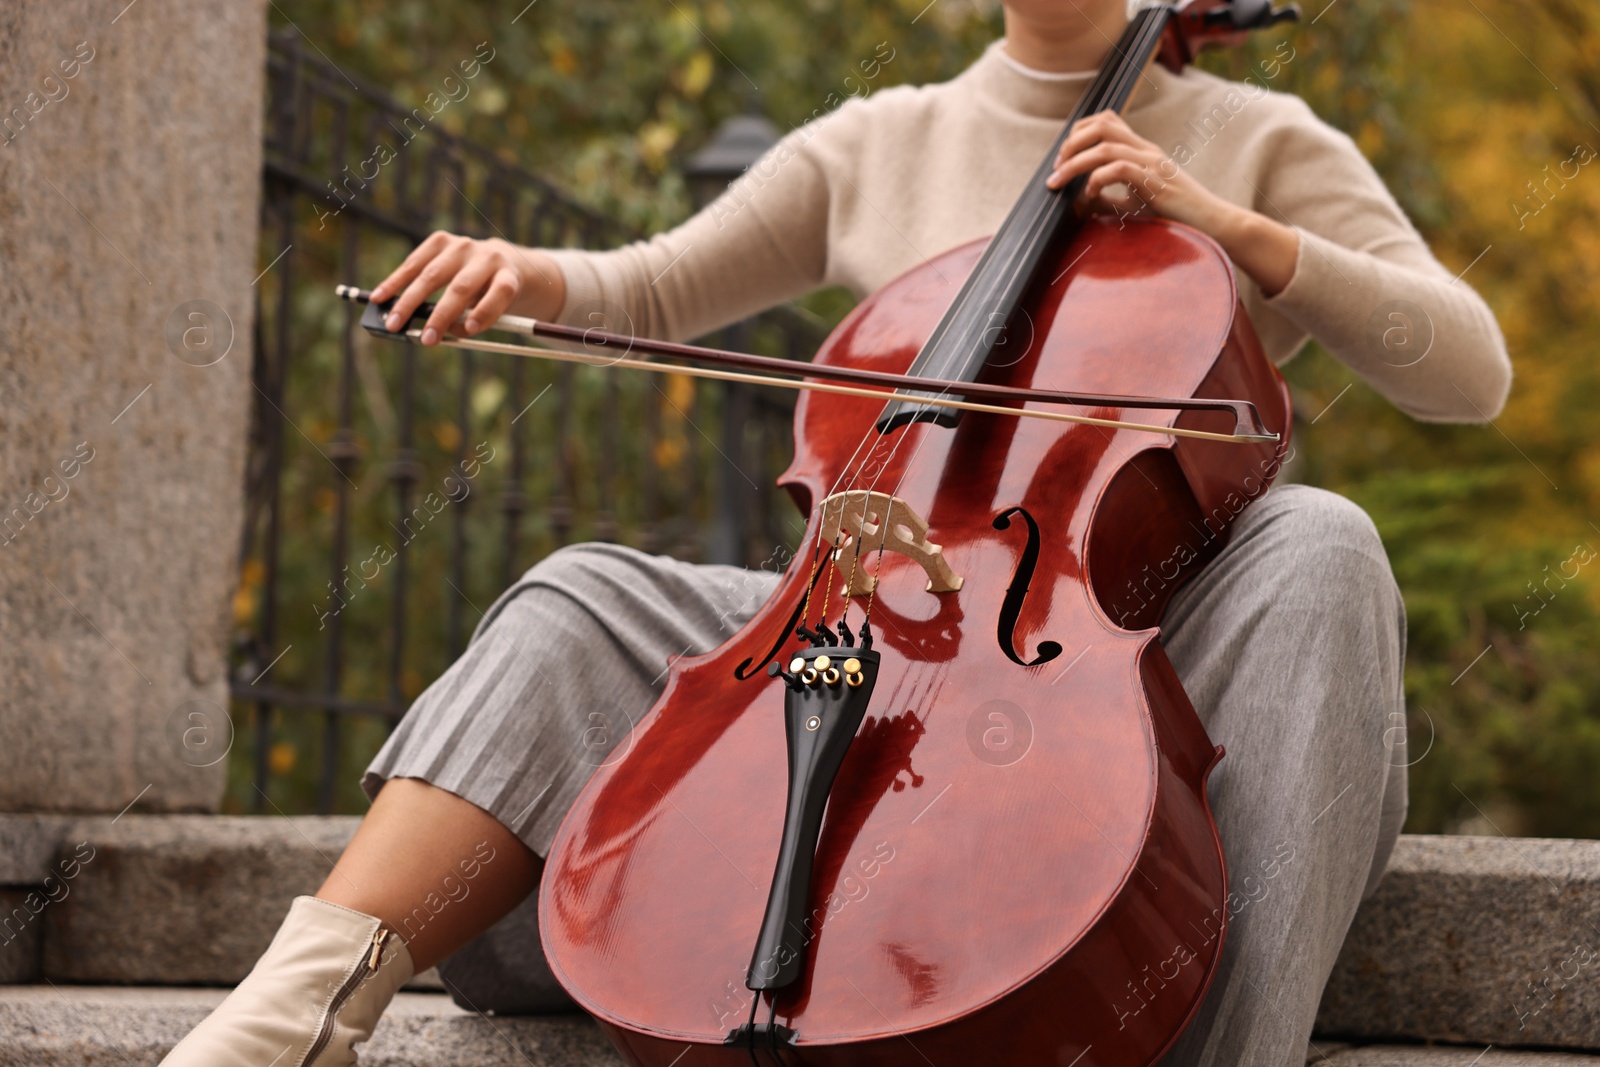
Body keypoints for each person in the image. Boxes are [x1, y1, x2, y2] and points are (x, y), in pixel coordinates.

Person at [162, 0, 1511, 1063]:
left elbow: (1469, 371)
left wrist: (1234, 231)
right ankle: (290, 1020)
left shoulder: (1260, 138)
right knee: (580, 598)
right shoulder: (879, 138)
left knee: (1323, 544)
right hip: (881, 615)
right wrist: (527, 280)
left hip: (1142, 649)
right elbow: (650, 286)